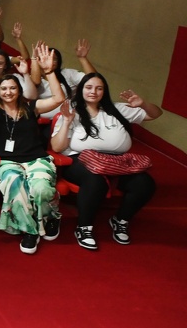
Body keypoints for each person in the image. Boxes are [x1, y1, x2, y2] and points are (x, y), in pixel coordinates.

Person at [51, 74, 162, 249]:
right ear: (81, 90)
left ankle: (121, 220)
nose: (93, 92)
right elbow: (57, 147)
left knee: (145, 184)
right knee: (94, 181)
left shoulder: (117, 109)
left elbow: (156, 114)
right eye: (88, 87)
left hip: (115, 161)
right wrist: (66, 123)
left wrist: (142, 104)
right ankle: (84, 227)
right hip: (80, 160)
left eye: (99, 88)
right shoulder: (72, 110)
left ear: (104, 91)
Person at [0, 43, 65, 254]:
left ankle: (52, 215)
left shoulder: (31, 108)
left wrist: (49, 71)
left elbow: (59, 99)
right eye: (4, 89)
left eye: (13, 88)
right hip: (8, 162)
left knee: (41, 189)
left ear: (19, 91)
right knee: (15, 186)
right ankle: (30, 230)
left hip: (36, 159)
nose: (8, 92)